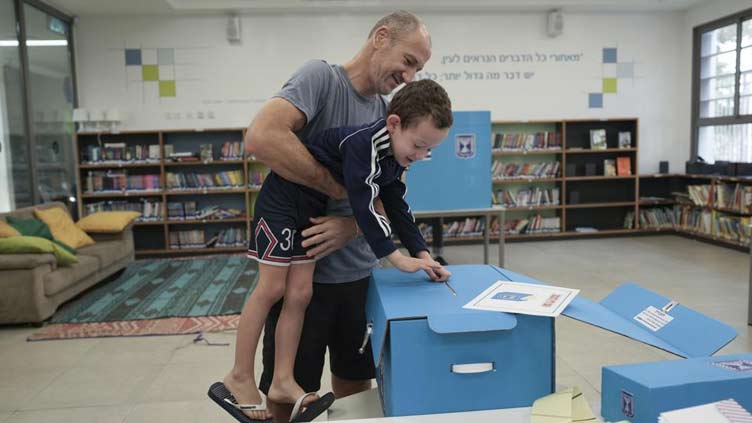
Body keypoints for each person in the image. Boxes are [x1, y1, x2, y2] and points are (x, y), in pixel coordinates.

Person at [209, 11, 436, 423]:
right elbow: (262, 138)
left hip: (356, 278)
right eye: (408, 61)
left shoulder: (389, 117)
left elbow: (387, 200)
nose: (410, 75)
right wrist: (339, 191)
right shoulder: (321, 79)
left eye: (418, 69)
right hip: (304, 265)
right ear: (381, 38)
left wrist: (350, 226)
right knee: (286, 400)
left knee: (352, 390)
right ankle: (239, 376)